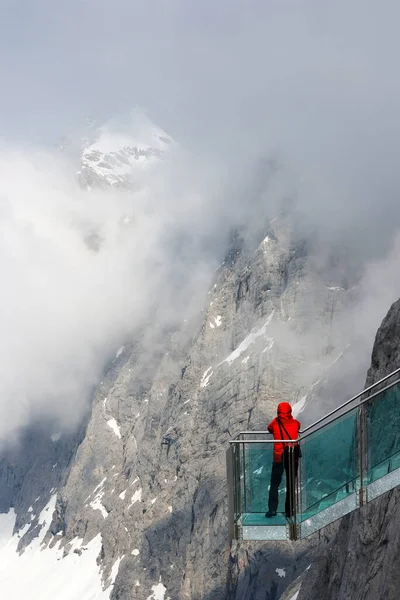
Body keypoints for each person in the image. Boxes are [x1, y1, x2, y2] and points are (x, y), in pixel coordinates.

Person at [265, 402, 301, 518]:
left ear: (278, 412)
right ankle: (289, 511)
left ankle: (272, 510)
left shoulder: (275, 424)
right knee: (290, 484)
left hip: (279, 458)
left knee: (275, 484)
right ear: (290, 412)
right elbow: (298, 426)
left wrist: (277, 419)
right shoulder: (295, 423)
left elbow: (269, 428)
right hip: (292, 457)